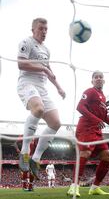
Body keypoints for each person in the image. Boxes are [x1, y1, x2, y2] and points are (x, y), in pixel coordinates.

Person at [17, 17, 66, 180]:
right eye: (41, 28)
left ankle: (35, 159)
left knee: (55, 123)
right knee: (38, 109)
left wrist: (58, 87)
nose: (44, 32)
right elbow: (21, 64)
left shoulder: (46, 50)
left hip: (42, 88)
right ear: (33, 29)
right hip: (27, 83)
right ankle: (25, 152)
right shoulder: (27, 42)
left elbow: (49, 70)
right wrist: (43, 69)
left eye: (46, 29)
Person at [67, 71, 109, 197]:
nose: (98, 79)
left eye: (101, 77)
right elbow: (80, 107)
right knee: (85, 153)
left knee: (107, 157)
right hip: (86, 127)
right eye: (96, 77)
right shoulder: (90, 91)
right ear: (92, 81)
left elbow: (104, 117)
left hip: (97, 130)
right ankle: (74, 186)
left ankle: (94, 187)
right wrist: (96, 120)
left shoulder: (103, 97)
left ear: (104, 80)